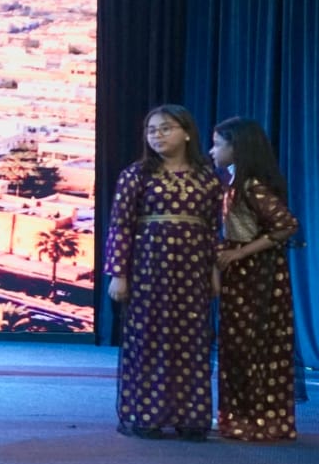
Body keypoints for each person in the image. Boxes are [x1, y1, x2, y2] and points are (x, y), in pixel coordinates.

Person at [105, 105, 221, 440]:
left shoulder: (207, 177)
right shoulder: (136, 175)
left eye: (165, 128)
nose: (157, 135)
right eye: (151, 130)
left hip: (193, 270)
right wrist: (118, 273)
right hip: (147, 269)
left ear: (187, 133)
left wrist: (214, 271)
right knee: (148, 339)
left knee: (192, 340)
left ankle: (190, 418)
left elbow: (213, 228)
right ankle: (148, 415)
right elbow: (120, 226)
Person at [210, 117, 300, 441]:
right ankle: (238, 416)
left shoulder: (251, 186)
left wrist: (240, 252)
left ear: (237, 147)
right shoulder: (234, 182)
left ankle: (253, 418)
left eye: (217, 144)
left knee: (250, 345)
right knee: (236, 345)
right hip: (242, 273)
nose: (212, 151)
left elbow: (286, 225)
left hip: (255, 275)